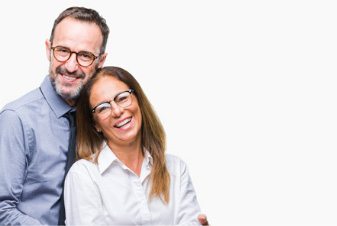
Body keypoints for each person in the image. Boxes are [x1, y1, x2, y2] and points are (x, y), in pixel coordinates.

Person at [0, 6, 209, 226]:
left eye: (85, 56)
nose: (71, 66)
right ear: (48, 49)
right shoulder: (17, 119)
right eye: (62, 50)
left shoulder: (108, 118)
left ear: (100, 61)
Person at [64, 66, 202, 225]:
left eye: (122, 98)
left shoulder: (176, 169)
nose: (117, 111)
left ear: (138, 100)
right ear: (96, 125)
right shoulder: (84, 175)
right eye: (103, 108)